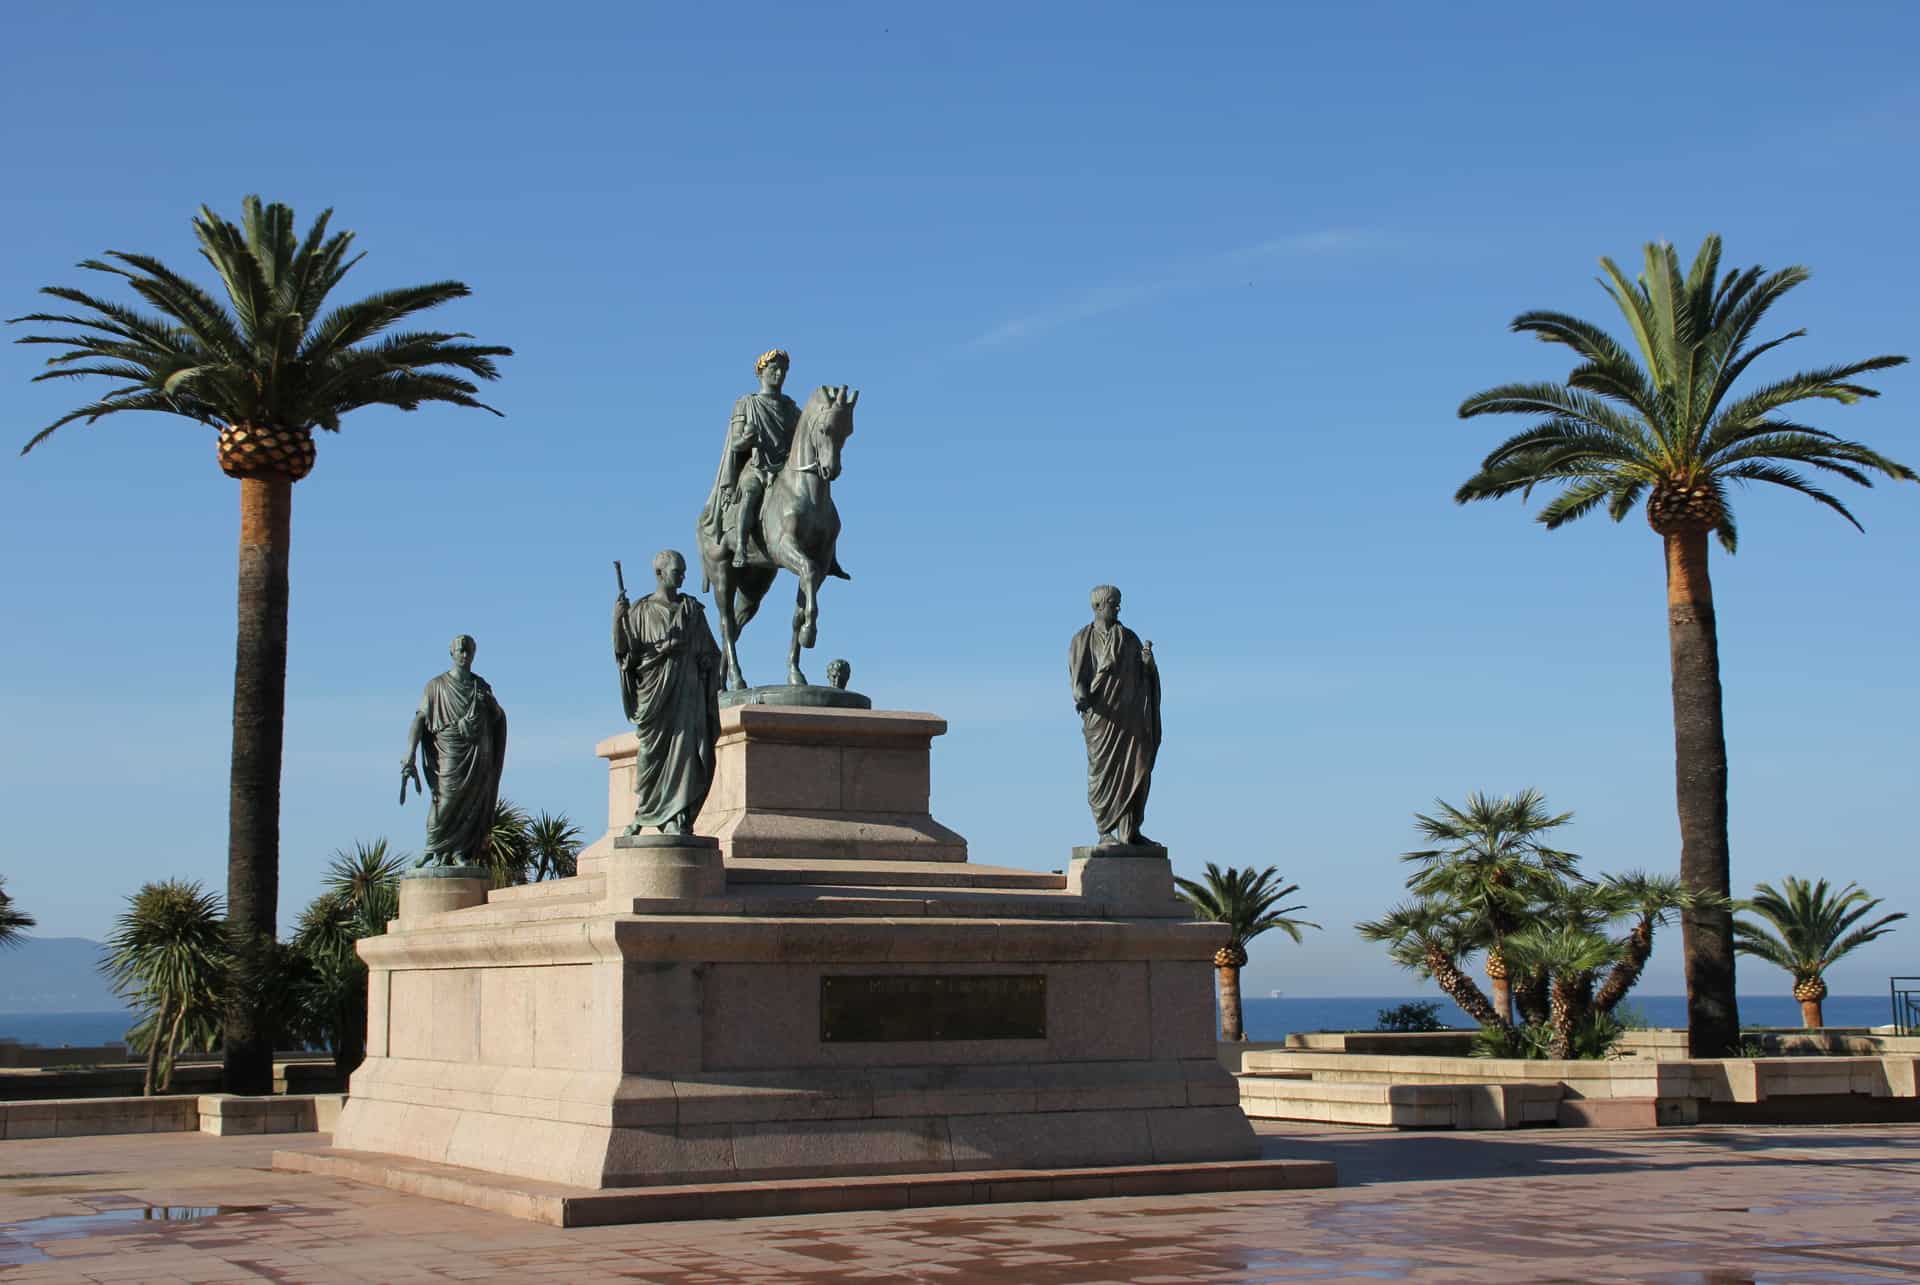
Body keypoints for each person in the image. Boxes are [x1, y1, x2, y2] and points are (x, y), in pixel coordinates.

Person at [615, 549, 723, 833]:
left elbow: (712, 652)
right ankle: (646, 812)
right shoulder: (640, 611)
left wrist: (705, 661)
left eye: (684, 571)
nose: (683, 576)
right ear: (660, 573)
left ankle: (677, 816)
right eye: (678, 571)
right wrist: (618, 621)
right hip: (654, 693)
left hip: (687, 691)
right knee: (651, 753)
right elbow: (627, 654)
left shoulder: (692, 611)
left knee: (685, 750)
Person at [400, 634, 508, 867]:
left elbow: (498, 716)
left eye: (468, 651)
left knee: (472, 802)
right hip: (449, 748)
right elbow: (419, 719)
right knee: (445, 798)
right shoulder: (436, 686)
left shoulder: (480, 685)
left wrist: (490, 705)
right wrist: (409, 753)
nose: (464, 655)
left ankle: (461, 851)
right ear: (452, 653)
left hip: (479, 750)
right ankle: (433, 846)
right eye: (460, 650)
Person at [1067, 585, 1161, 847]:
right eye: (1113, 603)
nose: (1118, 608)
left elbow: (1145, 675)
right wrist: (1081, 695)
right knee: (1104, 773)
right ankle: (1105, 830)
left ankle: (1130, 831)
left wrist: (1148, 664)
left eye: (1119, 603)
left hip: (1131, 718)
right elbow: (1078, 679)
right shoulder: (1081, 639)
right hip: (1103, 719)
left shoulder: (1129, 638)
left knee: (1138, 768)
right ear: (1098, 607)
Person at [717, 348, 802, 568]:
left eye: (783, 371)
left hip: (785, 469)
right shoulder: (746, 403)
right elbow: (735, 444)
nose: (779, 375)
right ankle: (741, 547)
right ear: (761, 372)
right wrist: (746, 438)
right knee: (750, 494)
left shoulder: (791, 408)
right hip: (757, 467)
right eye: (774, 369)